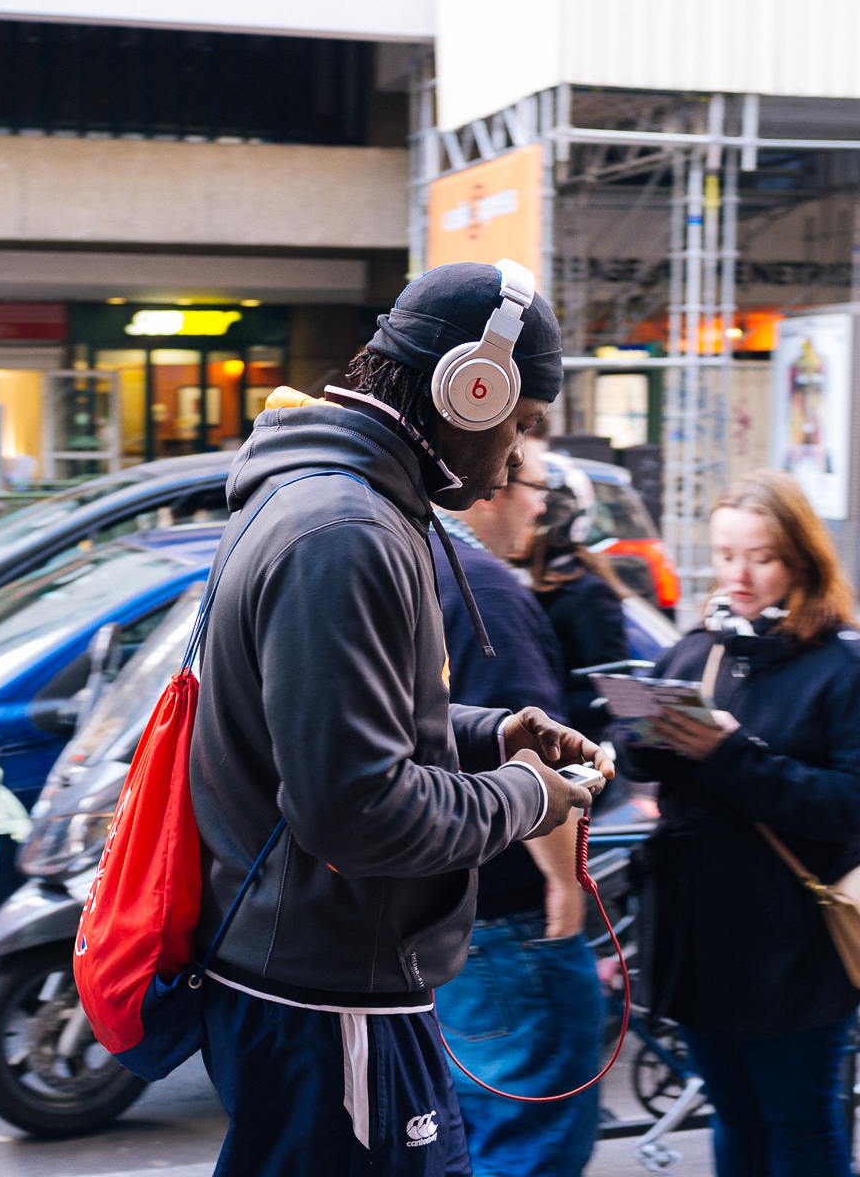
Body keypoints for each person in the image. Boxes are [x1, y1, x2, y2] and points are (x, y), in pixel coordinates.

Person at [189, 261, 614, 1176]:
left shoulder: (337, 506)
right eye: (522, 423)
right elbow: (354, 807)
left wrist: (485, 735)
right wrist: (528, 797)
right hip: (328, 995)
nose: (511, 462)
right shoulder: (345, 531)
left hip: (323, 985)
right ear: (472, 387)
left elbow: (332, 728)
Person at [616, 468, 860, 1177]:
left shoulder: (847, 665)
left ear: (802, 559)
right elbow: (640, 761)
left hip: (794, 940)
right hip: (703, 934)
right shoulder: (704, 646)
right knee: (734, 1114)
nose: (738, 576)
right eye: (724, 555)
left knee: (799, 1123)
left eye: (761, 557)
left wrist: (729, 752)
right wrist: (645, 730)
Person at [430, 441, 606, 1177]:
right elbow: (533, 752)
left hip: (442, 913)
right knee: (530, 1142)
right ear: (492, 486)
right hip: (509, 920)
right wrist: (565, 881)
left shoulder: (410, 564)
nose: (542, 505)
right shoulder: (487, 591)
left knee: (470, 1138)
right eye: (535, 486)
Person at [528, 456, 629, 732]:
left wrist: (546, 710)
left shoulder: (589, 593)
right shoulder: (521, 584)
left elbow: (614, 692)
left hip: (568, 748)